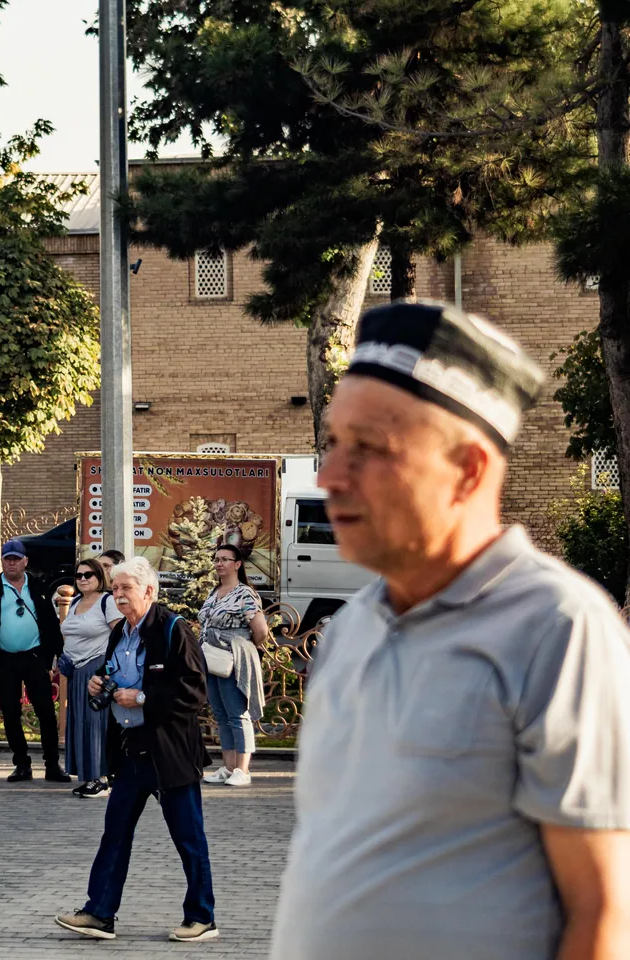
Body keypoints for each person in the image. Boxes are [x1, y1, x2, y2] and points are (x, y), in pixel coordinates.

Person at [270, 301, 630, 960]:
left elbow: (603, 912)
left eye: (370, 450)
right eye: (332, 443)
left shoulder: (556, 628)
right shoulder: (353, 627)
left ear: (467, 470)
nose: (330, 479)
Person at [56, 557, 216, 943]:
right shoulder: (121, 632)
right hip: (131, 751)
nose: (119, 595)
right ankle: (100, 913)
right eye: (115, 588)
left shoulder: (173, 629)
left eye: (126, 588)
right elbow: (113, 674)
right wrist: (100, 684)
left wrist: (143, 697)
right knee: (115, 831)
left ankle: (202, 917)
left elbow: (194, 692)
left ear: (149, 590)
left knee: (188, 836)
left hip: (169, 751)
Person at [0, 539, 69, 783]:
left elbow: (51, 624)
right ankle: (22, 764)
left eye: (16, 559)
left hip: (34, 657)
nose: (11, 563)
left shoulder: (38, 585)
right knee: (10, 713)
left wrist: (57, 655)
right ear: (3, 561)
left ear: (25, 561)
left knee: (45, 713)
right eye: (7, 559)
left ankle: (52, 764)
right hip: (5, 658)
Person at [199, 543, 268, 786]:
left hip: (233, 660)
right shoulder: (214, 592)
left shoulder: (245, 593)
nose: (219, 563)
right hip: (211, 659)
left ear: (237, 564)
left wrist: (242, 646)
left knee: (238, 714)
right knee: (220, 714)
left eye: (225, 559)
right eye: (216, 559)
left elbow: (260, 630)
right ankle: (228, 768)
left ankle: (243, 769)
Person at [60, 559, 121, 798]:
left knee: (95, 724)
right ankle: (88, 775)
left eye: (89, 575)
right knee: (79, 723)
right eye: (78, 575)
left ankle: (101, 778)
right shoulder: (74, 601)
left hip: (96, 669)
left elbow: (119, 635)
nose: (83, 579)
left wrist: (109, 670)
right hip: (75, 670)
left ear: (99, 577)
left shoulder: (107, 602)